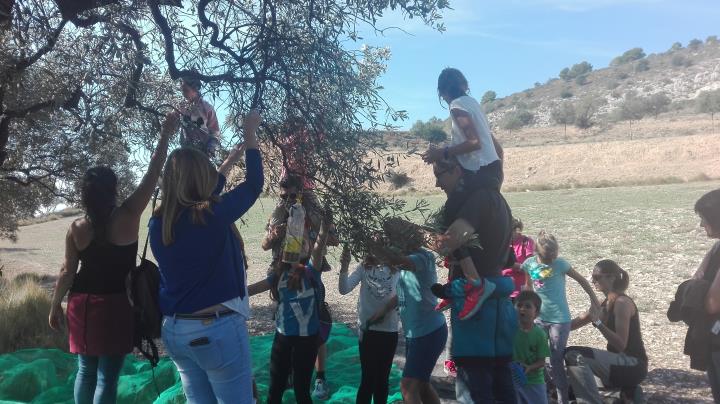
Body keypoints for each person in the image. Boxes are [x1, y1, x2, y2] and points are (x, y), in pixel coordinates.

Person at [48, 113, 178, 404]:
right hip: (117, 305)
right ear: (113, 189)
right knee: (107, 378)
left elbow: (67, 271)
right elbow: (153, 172)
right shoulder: (129, 215)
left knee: (85, 371)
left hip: (81, 305)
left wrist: (55, 305)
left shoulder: (77, 228)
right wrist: (166, 134)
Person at [149, 109, 263, 403]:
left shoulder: (159, 223)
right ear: (202, 180)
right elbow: (253, 186)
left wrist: (231, 161)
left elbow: (212, 192)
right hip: (215, 330)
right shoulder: (210, 216)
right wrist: (251, 133)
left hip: (176, 331)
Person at [431, 157, 517, 403]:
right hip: (499, 307)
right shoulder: (500, 201)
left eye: (440, 174)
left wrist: (412, 233)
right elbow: (509, 258)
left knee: (474, 388)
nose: (437, 183)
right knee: (503, 386)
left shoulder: (477, 200)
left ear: (458, 170)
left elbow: (447, 243)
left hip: (477, 310)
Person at [425, 67, 506, 321]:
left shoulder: (457, 106)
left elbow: (474, 143)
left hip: (480, 171)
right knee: (452, 214)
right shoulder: (473, 103)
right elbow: (491, 143)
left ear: (442, 91)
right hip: (489, 168)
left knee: (449, 217)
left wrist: (443, 153)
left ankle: (473, 283)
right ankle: (458, 284)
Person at [248, 215, 333, 404]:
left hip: (307, 341)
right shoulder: (278, 275)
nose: (299, 245)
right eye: (293, 243)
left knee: (302, 390)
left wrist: (324, 230)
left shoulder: (312, 271)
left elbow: (319, 248)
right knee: (275, 388)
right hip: (283, 339)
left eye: (303, 242)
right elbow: (252, 290)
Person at [369, 218, 447, 404]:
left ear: (404, 239)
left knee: (408, 386)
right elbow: (407, 291)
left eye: (392, 238)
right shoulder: (409, 260)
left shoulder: (422, 257)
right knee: (422, 385)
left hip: (428, 333)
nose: (391, 242)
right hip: (417, 333)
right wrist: (385, 309)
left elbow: (397, 261)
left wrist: (375, 246)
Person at [522, 231, 601, 404]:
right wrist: (525, 310)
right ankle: (545, 393)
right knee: (537, 356)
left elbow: (582, 280)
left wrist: (594, 300)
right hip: (538, 318)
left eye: (553, 257)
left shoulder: (560, 264)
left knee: (556, 360)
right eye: (547, 258)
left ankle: (562, 398)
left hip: (559, 319)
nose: (551, 260)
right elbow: (528, 287)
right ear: (538, 252)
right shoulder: (528, 264)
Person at [566, 260, 648, 404]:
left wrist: (598, 323)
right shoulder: (604, 303)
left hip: (633, 365)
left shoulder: (622, 303)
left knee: (574, 355)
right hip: (618, 364)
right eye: (592, 277)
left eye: (597, 277)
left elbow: (621, 345)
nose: (593, 281)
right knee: (572, 372)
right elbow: (573, 324)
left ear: (612, 277)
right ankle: (624, 394)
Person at [338, 244, 400, 404]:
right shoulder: (364, 267)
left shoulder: (397, 268)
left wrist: (383, 312)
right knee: (368, 379)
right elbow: (344, 289)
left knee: (382, 380)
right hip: (368, 331)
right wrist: (344, 266)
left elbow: (402, 295)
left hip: (389, 330)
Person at [687, 189, 720, 400]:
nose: (701, 225)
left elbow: (711, 303)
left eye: (703, 219)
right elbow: (696, 281)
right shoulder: (717, 248)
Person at [513, 291, 551, 404]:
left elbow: (541, 362)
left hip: (534, 381)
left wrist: (529, 367)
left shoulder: (540, 335)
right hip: (513, 380)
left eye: (528, 306)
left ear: (537, 313)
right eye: (519, 305)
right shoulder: (509, 331)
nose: (522, 309)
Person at [179, 76, 221, 157]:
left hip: (202, 153)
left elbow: (215, 133)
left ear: (195, 89)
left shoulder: (207, 108)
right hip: (184, 152)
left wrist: (210, 148)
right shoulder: (182, 106)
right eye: (182, 90)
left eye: (186, 90)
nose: (183, 94)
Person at [502, 218, 535, 301]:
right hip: (504, 288)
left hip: (521, 290)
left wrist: (513, 265)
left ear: (516, 230)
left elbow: (531, 267)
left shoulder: (526, 242)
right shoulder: (503, 242)